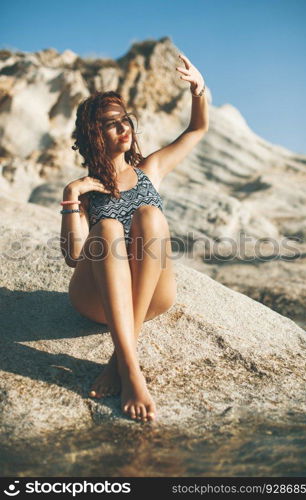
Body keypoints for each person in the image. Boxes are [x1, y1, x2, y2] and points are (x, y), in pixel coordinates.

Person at [60, 53, 209, 423]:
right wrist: (70, 196)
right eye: (111, 124)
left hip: (150, 296)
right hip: (97, 302)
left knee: (150, 215)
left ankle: (119, 361)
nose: (123, 128)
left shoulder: (150, 170)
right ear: (94, 134)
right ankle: (132, 368)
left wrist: (198, 90)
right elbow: (74, 256)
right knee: (108, 227)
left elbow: (196, 130)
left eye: (125, 120)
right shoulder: (86, 192)